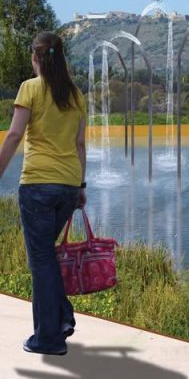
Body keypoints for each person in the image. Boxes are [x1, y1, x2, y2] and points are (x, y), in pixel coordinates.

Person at [0, 32, 87, 356]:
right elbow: (80, 144)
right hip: (67, 185)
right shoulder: (76, 94)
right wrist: (81, 186)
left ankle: (50, 337)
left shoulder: (30, 88)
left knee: (41, 259)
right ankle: (60, 318)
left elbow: (14, 135)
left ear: (35, 58)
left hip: (37, 185)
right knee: (45, 257)